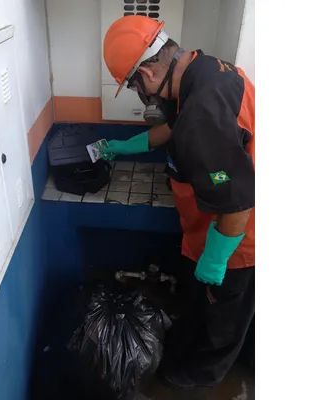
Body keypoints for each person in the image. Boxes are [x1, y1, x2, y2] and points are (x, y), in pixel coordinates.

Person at [101, 15, 255, 389]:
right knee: (204, 308)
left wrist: (216, 259)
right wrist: (126, 146)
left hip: (237, 241)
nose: (143, 96)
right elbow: (173, 128)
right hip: (213, 230)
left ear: (147, 74)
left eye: (135, 87)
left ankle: (196, 381)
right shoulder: (204, 71)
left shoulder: (203, 113)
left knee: (222, 320)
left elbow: (236, 201)